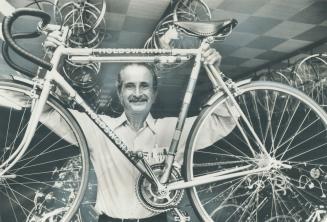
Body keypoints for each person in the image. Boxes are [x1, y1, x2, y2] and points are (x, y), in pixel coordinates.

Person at [35, 31, 239, 222]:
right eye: (130, 86)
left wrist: (215, 72)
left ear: (154, 94)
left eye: (144, 85)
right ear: (120, 93)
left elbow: (224, 119)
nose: (137, 92)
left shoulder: (172, 129)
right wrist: (51, 60)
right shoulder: (97, 127)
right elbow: (44, 109)